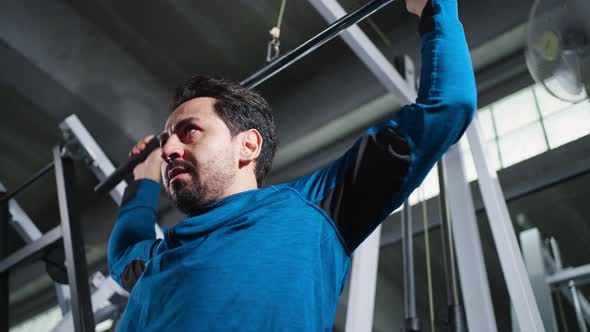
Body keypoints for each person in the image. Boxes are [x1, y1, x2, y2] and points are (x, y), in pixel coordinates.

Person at [108, 0, 476, 330]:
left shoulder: (311, 210)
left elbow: (447, 106)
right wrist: (143, 176)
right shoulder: (160, 257)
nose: (169, 147)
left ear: (248, 145)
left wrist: (434, 7)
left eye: (189, 131)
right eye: (165, 139)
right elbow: (123, 252)